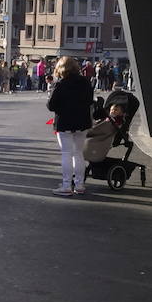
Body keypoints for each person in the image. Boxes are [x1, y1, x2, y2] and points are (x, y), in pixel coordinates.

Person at [46, 55, 96, 196]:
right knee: (78, 153)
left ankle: (67, 185)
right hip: (82, 121)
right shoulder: (85, 82)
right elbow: (89, 101)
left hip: (65, 122)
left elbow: (51, 105)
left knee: (66, 154)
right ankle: (79, 184)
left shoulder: (61, 84)